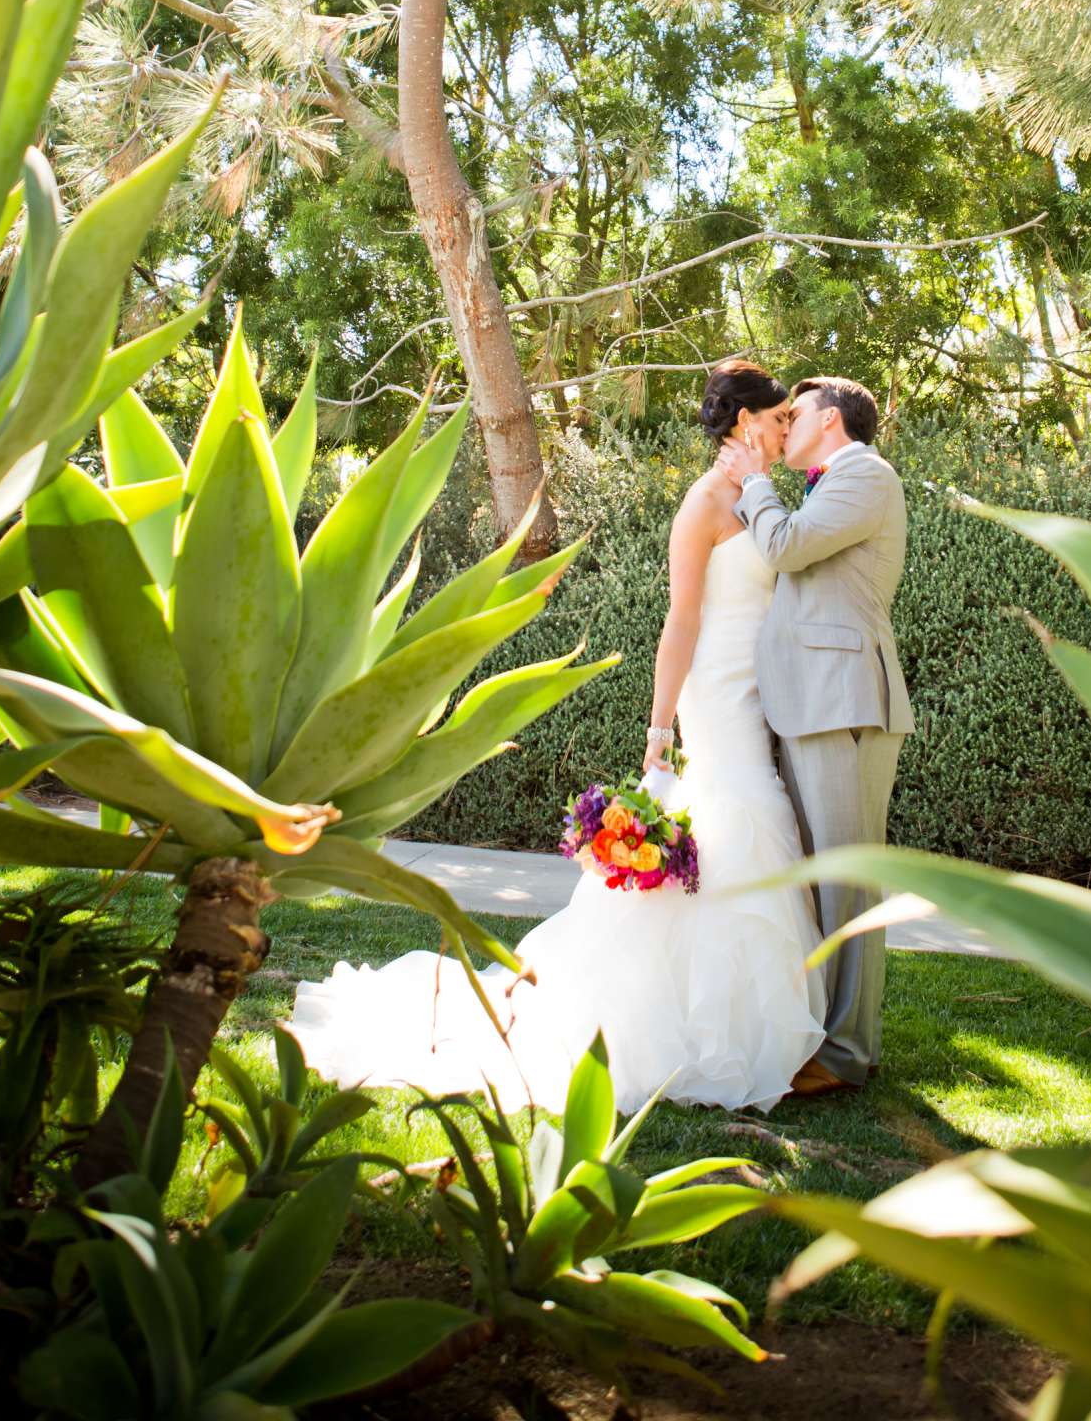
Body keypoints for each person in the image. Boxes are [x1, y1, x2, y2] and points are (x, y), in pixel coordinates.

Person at [289, 357, 825, 1113]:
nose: (781, 432)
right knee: (742, 815)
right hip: (715, 691)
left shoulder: (765, 500)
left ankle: (732, 1018)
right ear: (745, 423)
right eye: (775, 420)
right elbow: (681, 620)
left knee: (744, 823)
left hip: (756, 688)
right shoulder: (704, 505)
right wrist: (659, 722)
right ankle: (697, 1029)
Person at [715, 375, 909, 1094]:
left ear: (830, 421)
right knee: (824, 877)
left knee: (849, 880)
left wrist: (756, 482)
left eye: (794, 415)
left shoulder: (865, 475)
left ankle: (848, 1053)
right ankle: (824, 1034)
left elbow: (789, 549)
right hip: (813, 703)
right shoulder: (833, 482)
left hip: (846, 704)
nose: (783, 425)